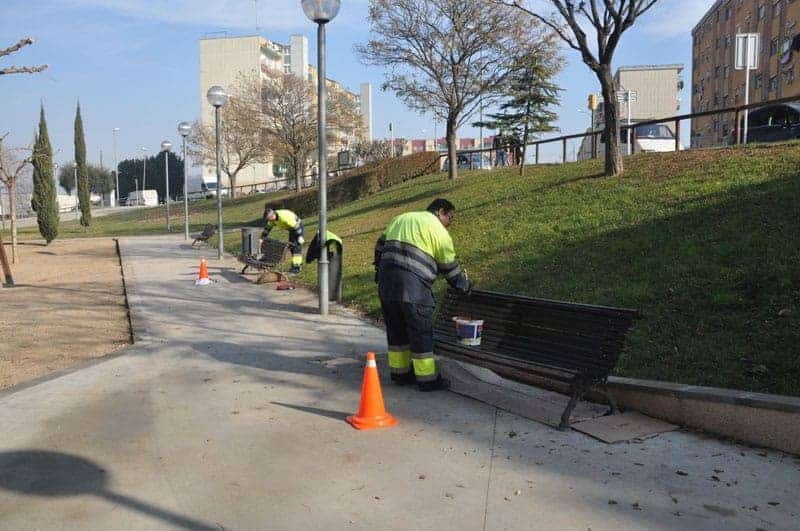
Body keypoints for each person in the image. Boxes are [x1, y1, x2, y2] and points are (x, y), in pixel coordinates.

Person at [374, 198, 472, 391]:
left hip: (386, 285)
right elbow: (450, 268)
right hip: (413, 288)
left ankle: (400, 374)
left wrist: (379, 270)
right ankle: (428, 380)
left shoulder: (401, 218)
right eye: (450, 217)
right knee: (421, 332)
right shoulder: (438, 231)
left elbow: (379, 246)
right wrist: (465, 286)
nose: (450, 223)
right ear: (441, 211)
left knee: (396, 331)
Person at [261, 206, 304, 275]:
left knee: (296, 249)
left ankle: (296, 269)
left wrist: (300, 236)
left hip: (297, 227)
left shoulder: (284, 217)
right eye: (268, 219)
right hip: (291, 229)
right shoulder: (272, 219)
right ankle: (296, 265)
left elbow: (297, 227)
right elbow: (267, 229)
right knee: (292, 248)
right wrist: (262, 238)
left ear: (273, 215)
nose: (270, 221)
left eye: (270, 219)